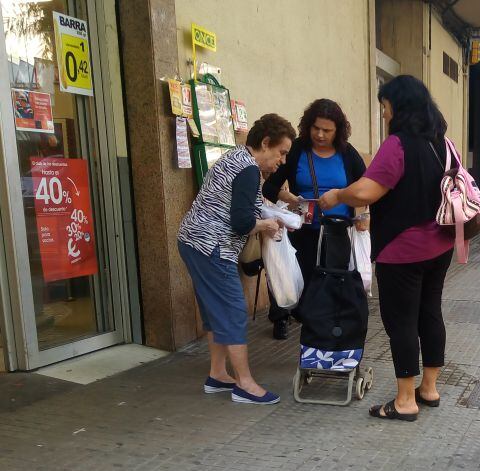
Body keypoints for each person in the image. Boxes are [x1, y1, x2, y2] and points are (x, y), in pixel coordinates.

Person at [318, 75, 455, 422]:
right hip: (440, 244)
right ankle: (429, 388)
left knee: (402, 321)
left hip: (403, 249)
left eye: (384, 106)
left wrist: (337, 195)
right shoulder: (441, 142)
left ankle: (405, 401)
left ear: (398, 105)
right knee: (430, 313)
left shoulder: (398, 144)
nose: (383, 114)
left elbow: (366, 191)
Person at [177, 114, 296, 405]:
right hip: (211, 246)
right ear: (265, 143)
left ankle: (218, 374)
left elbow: (246, 204)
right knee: (232, 310)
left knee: (215, 311)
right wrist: (267, 226)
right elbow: (242, 222)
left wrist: (270, 213)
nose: (281, 161)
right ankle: (244, 384)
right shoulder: (248, 170)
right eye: (281, 153)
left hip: (194, 241)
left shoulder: (238, 158)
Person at [262, 98, 367, 339]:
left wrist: (363, 214)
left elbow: (366, 187)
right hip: (303, 232)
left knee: (334, 287)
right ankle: (290, 321)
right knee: (302, 283)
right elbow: (270, 187)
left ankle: (329, 334)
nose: (320, 134)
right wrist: (287, 197)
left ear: (338, 130)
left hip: (337, 233)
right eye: (315, 128)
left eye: (327, 130)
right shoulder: (297, 149)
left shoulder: (348, 154)